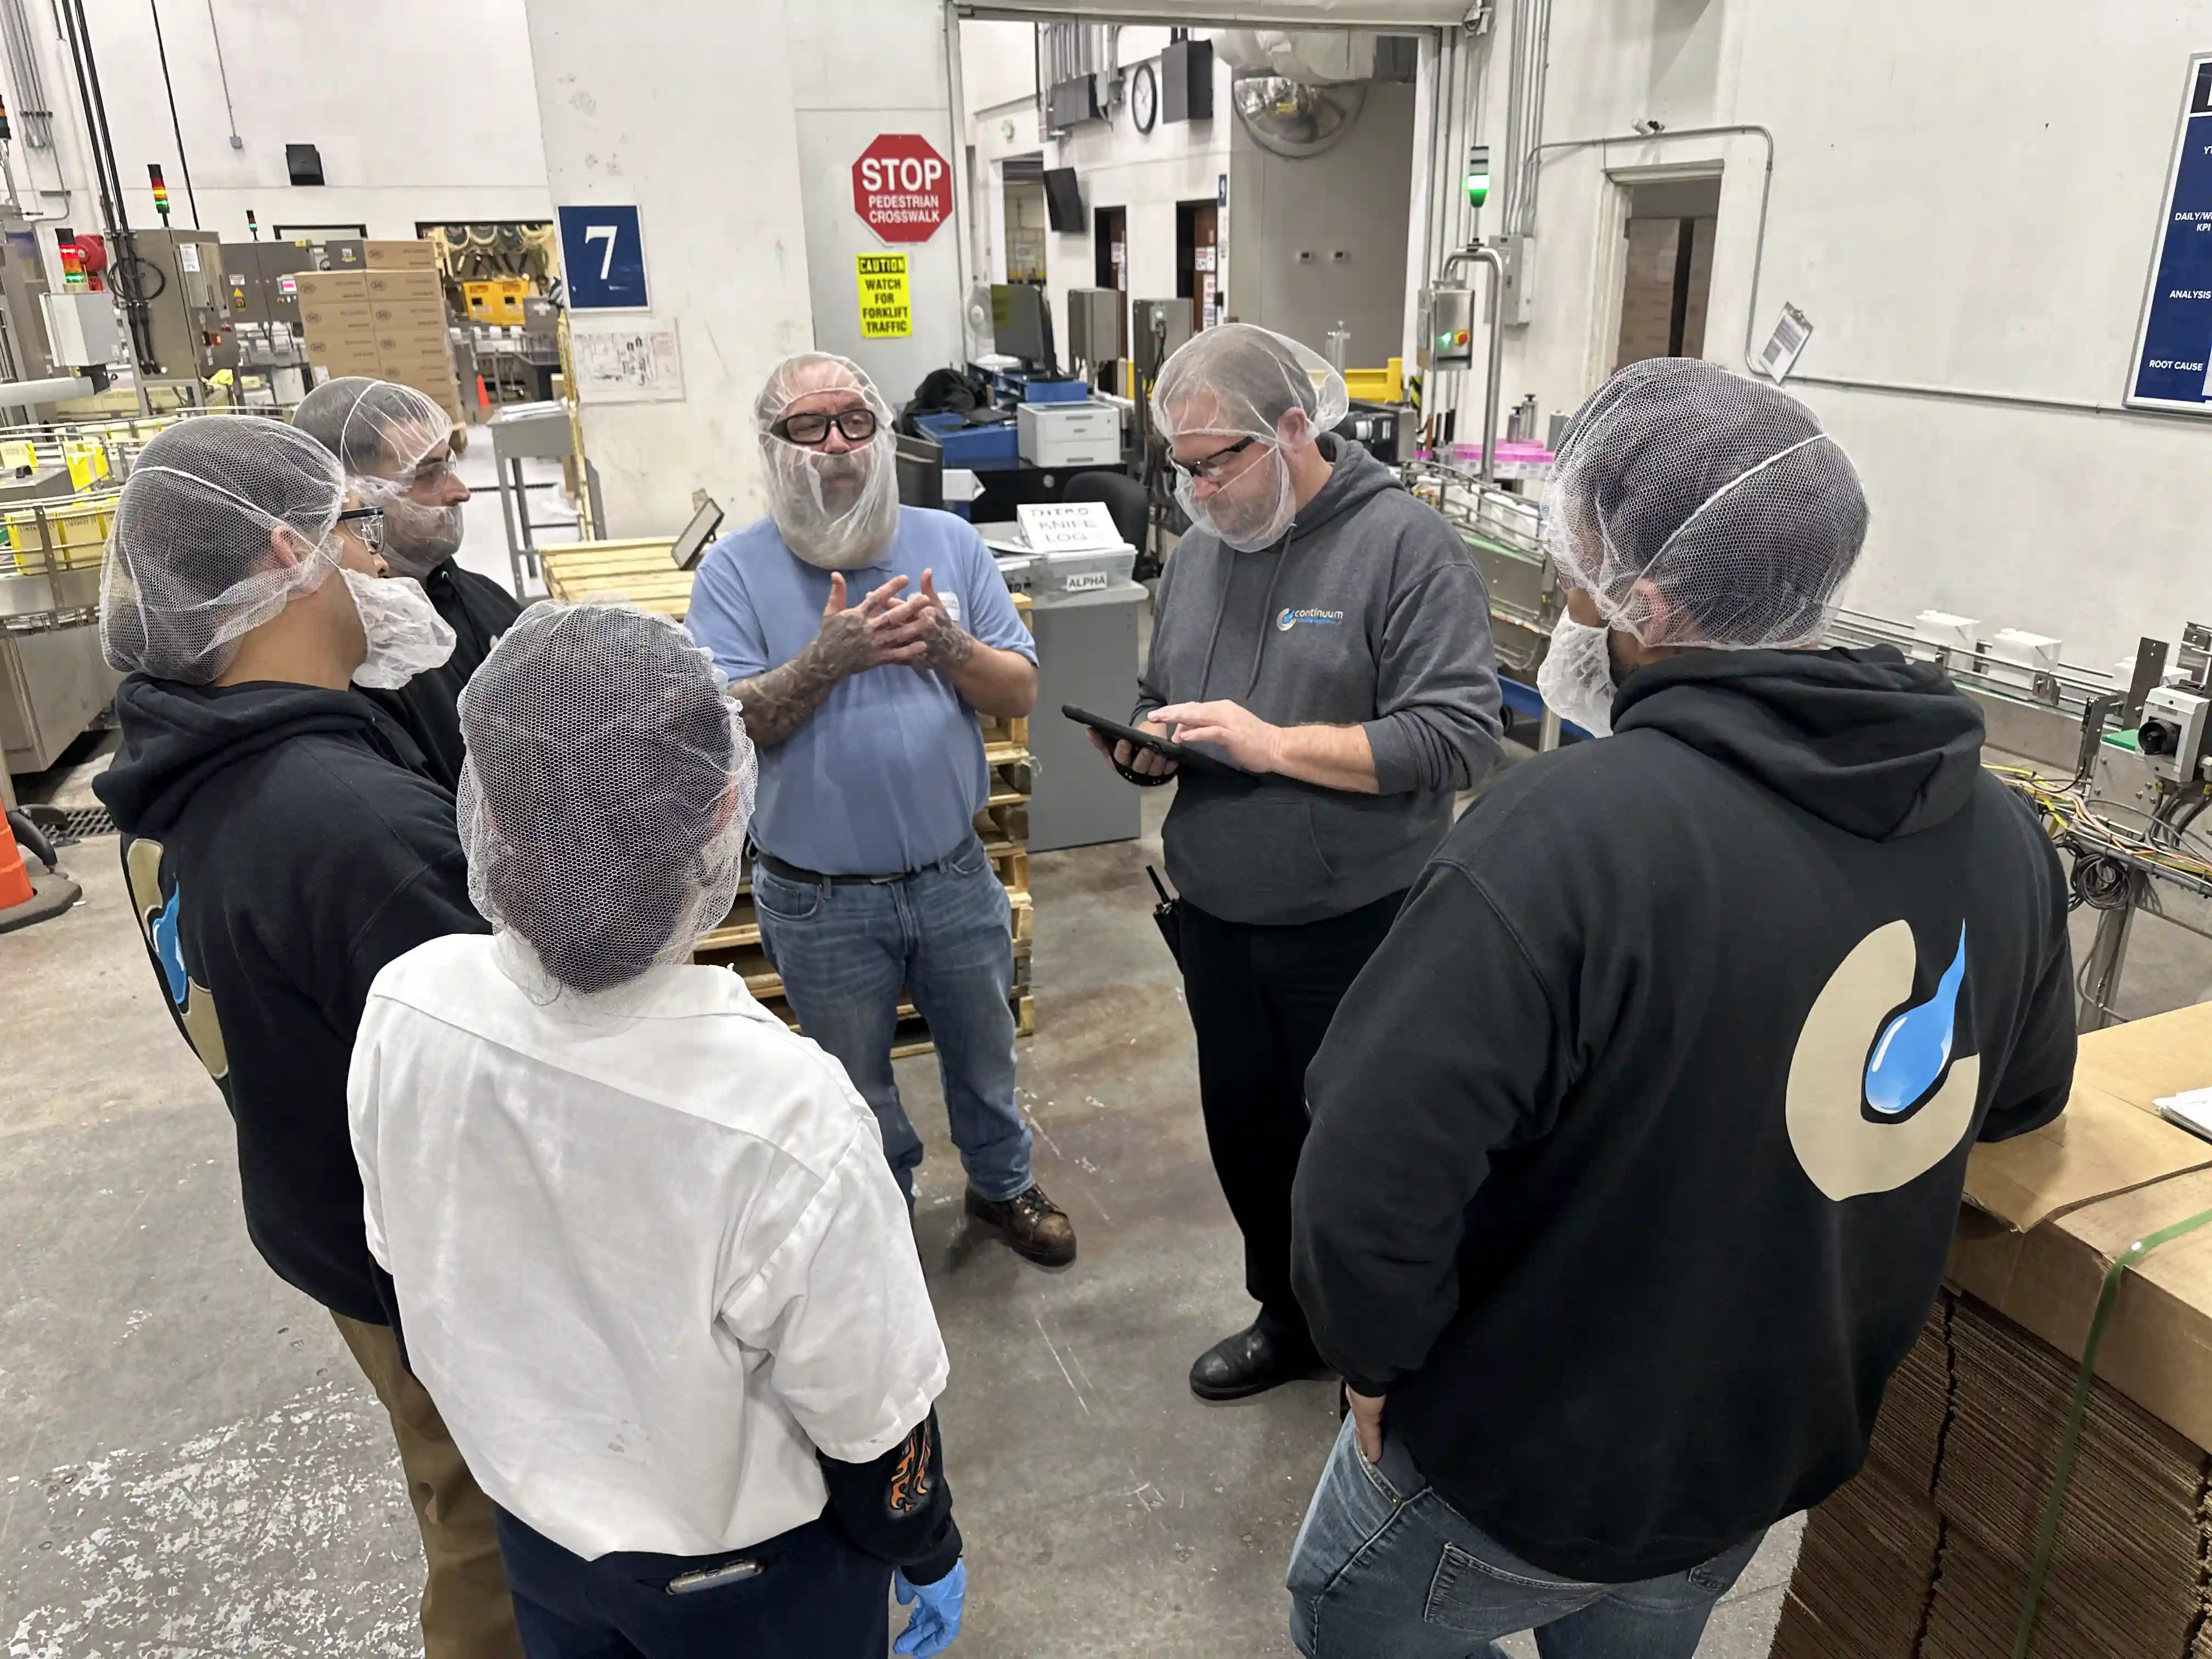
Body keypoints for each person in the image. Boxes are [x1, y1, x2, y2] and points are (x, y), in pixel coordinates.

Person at [1284, 358, 2078, 1658]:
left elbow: (1369, 1174)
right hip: (1755, 1461)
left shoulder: (1564, 838)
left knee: (1350, 1613)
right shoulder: (1998, 833)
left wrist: (1373, 1364)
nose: (1565, 600)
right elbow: (2020, 1099)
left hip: (1517, 1470)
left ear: (1642, 596)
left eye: (1576, 569)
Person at [348, 603, 967, 1659]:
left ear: (487, 811)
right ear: (726, 809)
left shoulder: (408, 1004)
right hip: (747, 1584)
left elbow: (405, 1257)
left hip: (538, 1540)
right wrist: (925, 1539)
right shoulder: (782, 1110)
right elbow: (870, 1408)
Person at [90, 416, 519, 1658]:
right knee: (497, 1545)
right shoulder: (346, 829)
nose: (378, 566)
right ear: (288, 550)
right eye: (353, 535)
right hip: (429, 1270)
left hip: (324, 1213)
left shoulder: (179, 770)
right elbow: (515, 1092)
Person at [1091, 324, 1502, 1401]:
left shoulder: (1405, 550)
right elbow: (1167, 696)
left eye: (1216, 461)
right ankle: (1289, 1318)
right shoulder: (1197, 557)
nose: (1198, 491)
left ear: (1290, 429)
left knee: (1364, 1153)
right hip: (1220, 917)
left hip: (1357, 922)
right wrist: (1145, 743)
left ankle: (1389, 1349)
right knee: (1250, 1132)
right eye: (1179, 468)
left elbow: (1458, 739)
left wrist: (1270, 745)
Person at [685, 351, 1074, 1266]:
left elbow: (1017, 682)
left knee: (985, 1055)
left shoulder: (950, 543)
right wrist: (829, 658)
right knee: (851, 1080)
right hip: (821, 895)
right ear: (773, 444)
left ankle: (1001, 1184)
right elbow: (732, 727)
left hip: (951, 870)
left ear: (882, 433)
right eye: (808, 425)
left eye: (854, 420)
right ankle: (881, 1210)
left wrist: (947, 647)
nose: (835, 445)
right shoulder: (735, 572)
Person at [293, 376, 521, 790]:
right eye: (428, 475)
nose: (460, 492)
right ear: (351, 497)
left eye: (449, 466)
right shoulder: (351, 663)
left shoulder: (479, 596)